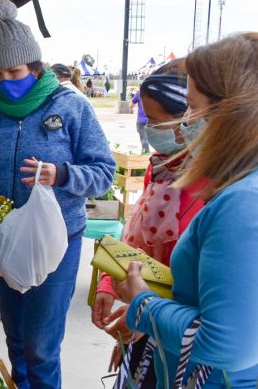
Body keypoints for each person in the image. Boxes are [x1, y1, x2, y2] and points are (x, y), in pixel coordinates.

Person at [0, 0, 115, 389]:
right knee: (15, 338)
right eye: (0, 74)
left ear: (36, 68)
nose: (8, 80)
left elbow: (103, 173)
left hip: (56, 244)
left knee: (41, 346)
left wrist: (61, 174)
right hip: (5, 241)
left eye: (16, 71)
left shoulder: (71, 107)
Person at [115, 33, 258, 388]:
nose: (185, 122)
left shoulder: (243, 203)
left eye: (193, 107)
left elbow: (226, 345)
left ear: (232, 114)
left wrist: (142, 304)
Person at [91, 59, 206, 387]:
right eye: (146, 119)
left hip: (179, 345)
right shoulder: (161, 169)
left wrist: (141, 311)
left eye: (155, 121)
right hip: (148, 326)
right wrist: (109, 285)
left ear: (189, 117)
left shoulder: (215, 188)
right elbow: (138, 242)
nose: (147, 129)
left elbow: (189, 285)